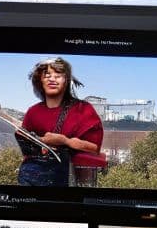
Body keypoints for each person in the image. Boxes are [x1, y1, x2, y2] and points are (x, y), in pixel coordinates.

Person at [16, 57, 106, 187]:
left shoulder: (83, 109)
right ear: (40, 80)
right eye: (47, 75)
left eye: (58, 75)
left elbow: (94, 148)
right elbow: (27, 153)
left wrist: (65, 141)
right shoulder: (33, 112)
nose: (52, 79)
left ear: (66, 80)